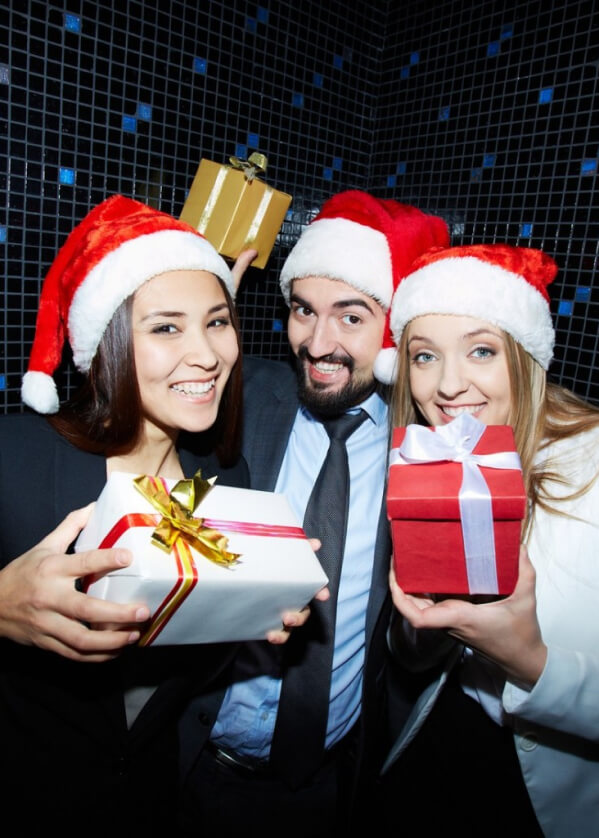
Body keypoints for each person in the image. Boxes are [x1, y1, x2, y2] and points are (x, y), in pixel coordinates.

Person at [0, 195, 310, 835]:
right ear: (108, 342)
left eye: (217, 322)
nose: (206, 355)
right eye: (166, 327)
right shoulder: (14, 457)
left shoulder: (224, 480)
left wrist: (252, 611)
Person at [178, 190, 450, 835]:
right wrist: (199, 319)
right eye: (303, 310)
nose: (318, 342)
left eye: (350, 318)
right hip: (189, 765)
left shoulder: (428, 455)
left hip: (328, 787)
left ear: (393, 330)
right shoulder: (238, 401)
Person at [381, 243, 599, 837]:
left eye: (481, 350)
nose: (449, 386)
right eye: (425, 356)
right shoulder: (427, 457)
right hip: (438, 747)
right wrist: (418, 628)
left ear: (525, 357)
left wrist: (530, 661)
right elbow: (414, 656)